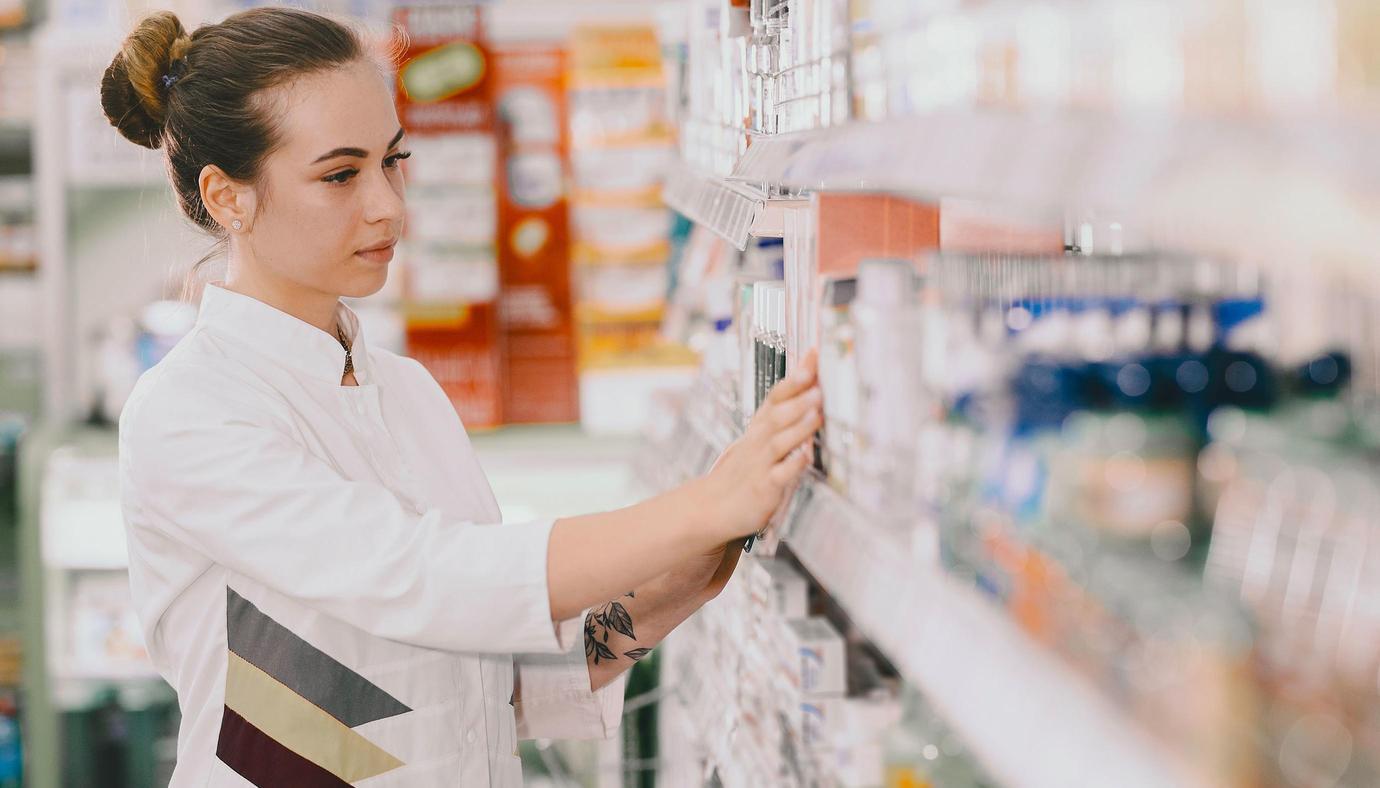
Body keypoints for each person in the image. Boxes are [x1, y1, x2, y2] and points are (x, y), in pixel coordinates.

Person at [105, 7, 822, 787]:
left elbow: (475, 689)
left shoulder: (405, 391)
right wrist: (705, 505)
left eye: (393, 160)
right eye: (341, 175)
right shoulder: (188, 413)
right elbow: (424, 576)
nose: (388, 205)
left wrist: (672, 588)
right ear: (227, 197)